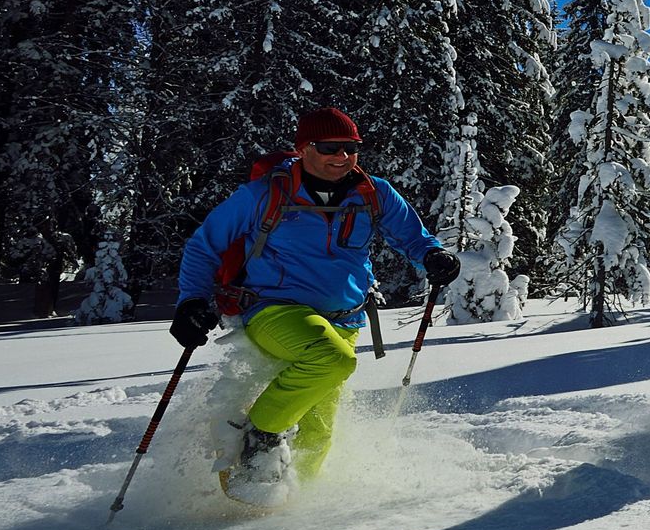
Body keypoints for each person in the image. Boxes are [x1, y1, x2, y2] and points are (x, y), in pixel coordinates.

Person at [171, 107, 458, 507]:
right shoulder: (265, 194)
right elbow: (204, 246)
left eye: (351, 147)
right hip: (274, 310)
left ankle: (282, 508)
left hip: (346, 318)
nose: (342, 156)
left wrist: (432, 255)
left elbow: (413, 236)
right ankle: (260, 435)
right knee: (332, 359)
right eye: (330, 147)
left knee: (319, 433)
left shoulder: (373, 192)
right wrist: (191, 302)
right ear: (303, 148)